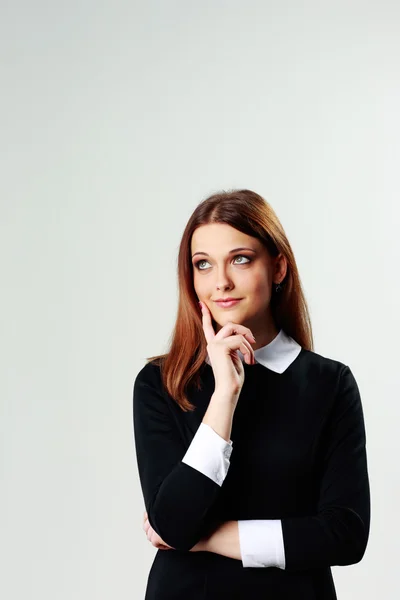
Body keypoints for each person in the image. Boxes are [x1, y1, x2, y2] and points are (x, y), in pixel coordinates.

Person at [132, 189, 370, 599]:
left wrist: (208, 538)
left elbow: (345, 534)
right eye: (203, 264)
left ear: (278, 267)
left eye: (240, 259)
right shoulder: (160, 382)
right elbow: (172, 520)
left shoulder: (329, 384)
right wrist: (224, 394)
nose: (220, 281)